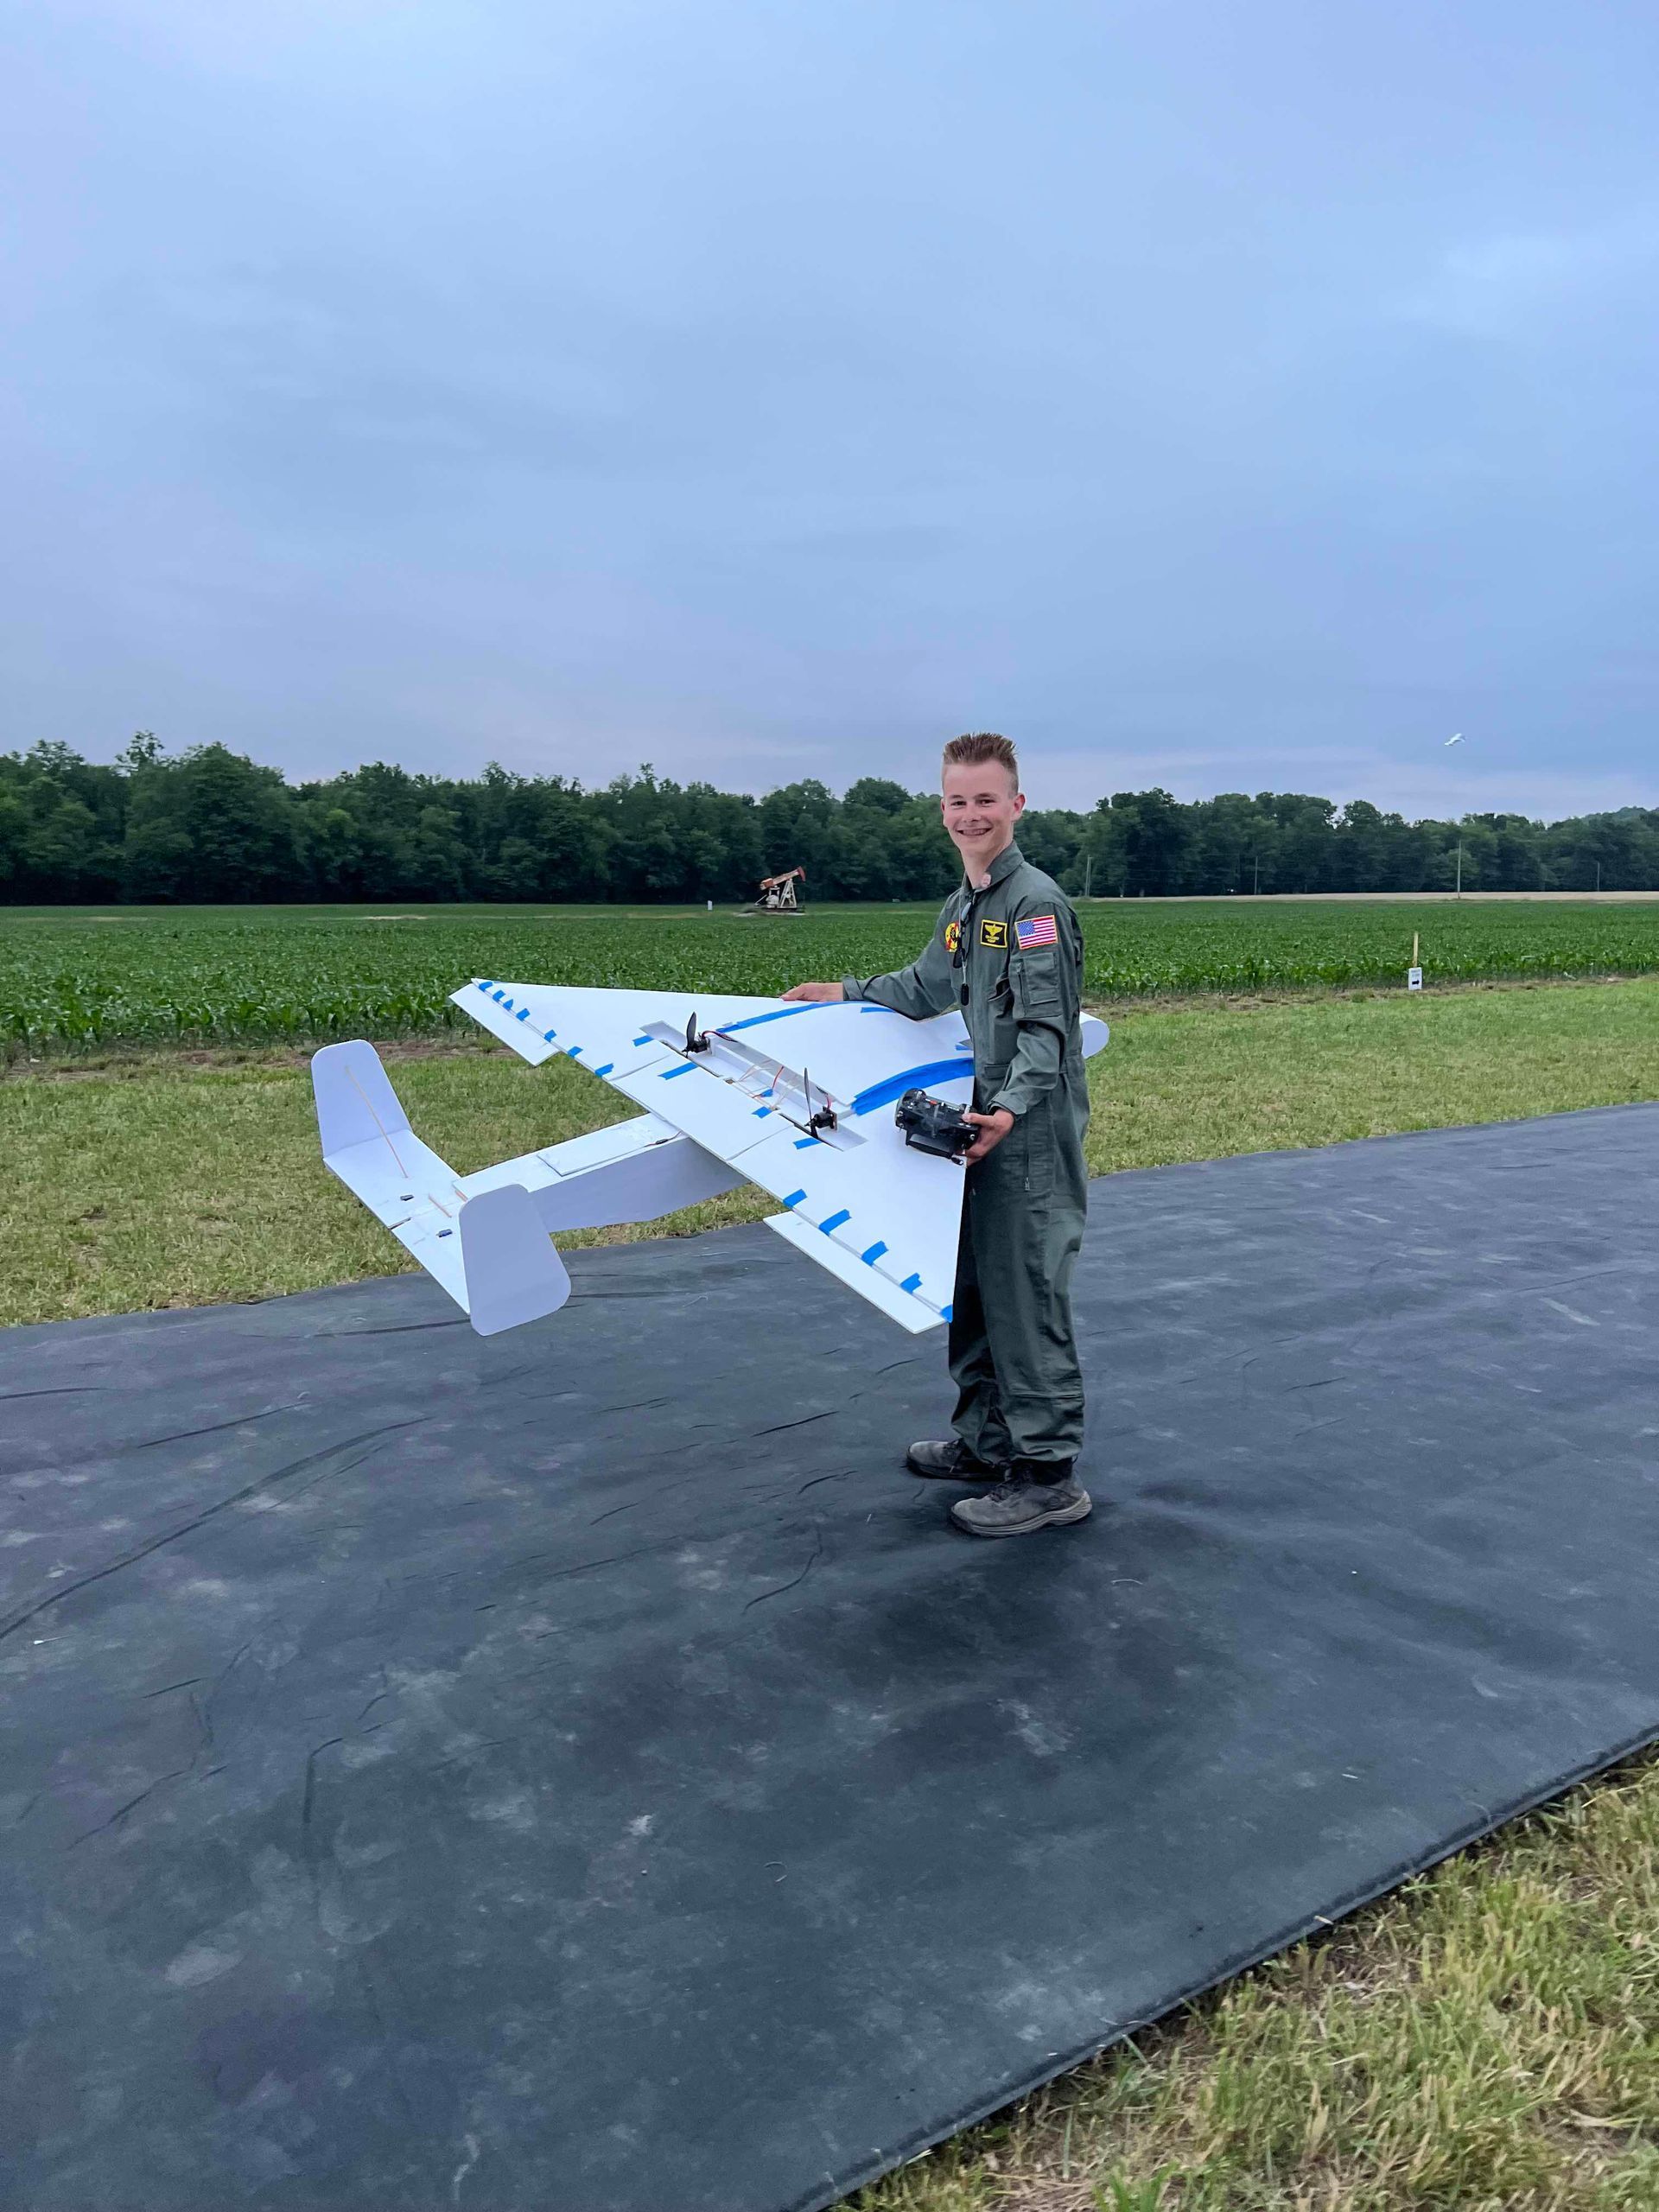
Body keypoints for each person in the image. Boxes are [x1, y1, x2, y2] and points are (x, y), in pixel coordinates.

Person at [783, 732, 1091, 1537]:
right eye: (957, 800)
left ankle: (1049, 1474)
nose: (970, 814)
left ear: (1017, 806)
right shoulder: (965, 909)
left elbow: (1047, 1036)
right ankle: (988, 1445)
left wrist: (1010, 1110)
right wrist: (841, 993)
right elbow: (924, 987)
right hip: (975, 1131)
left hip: (1021, 1134)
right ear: (942, 809)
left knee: (1025, 1294)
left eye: (986, 799)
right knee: (976, 1292)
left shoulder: (1035, 908)